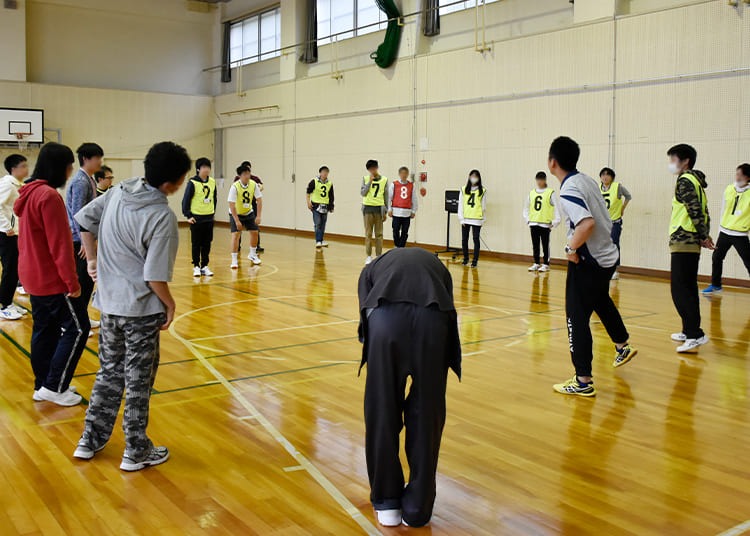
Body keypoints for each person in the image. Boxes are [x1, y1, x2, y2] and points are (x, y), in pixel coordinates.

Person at [72, 141, 191, 472]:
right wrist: (170, 305)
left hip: (109, 306)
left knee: (109, 372)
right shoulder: (162, 217)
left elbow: (83, 221)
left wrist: (92, 258)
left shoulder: (118, 190)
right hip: (140, 312)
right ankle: (136, 450)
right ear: (175, 182)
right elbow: (155, 277)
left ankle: (89, 440)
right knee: (138, 381)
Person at [357, 247, 461, 528]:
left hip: (385, 322)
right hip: (434, 322)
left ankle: (387, 503)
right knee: (427, 414)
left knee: (382, 410)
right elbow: (448, 305)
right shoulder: (438, 267)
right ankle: (417, 510)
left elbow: (366, 314)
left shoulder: (371, 269)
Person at [547, 136, 637, 397]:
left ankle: (583, 380)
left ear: (552, 162)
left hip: (589, 261)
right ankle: (622, 345)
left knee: (576, 317)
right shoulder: (586, 180)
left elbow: (586, 223)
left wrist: (570, 249)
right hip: (607, 257)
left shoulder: (568, 189)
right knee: (600, 300)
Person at [14, 142, 89, 406]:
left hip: (33, 275)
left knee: (44, 330)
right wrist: (72, 281)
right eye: (69, 166)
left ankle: (44, 384)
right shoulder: (48, 196)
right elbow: (60, 245)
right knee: (79, 328)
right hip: (51, 279)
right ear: (60, 167)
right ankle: (55, 386)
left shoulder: (29, 192)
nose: (70, 171)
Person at [667, 143, 714, 352]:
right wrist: (703, 235)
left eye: (673, 159)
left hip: (684, 239)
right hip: (690, 239)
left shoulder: (685, 181)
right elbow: (703, 210)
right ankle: (689, 330)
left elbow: (694, 210)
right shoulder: (695, 180)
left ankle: (695, 334)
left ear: (685, 161)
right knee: (688, 287)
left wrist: (703, 236)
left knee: (679, 289)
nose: (670, 164)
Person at [66, 142, 103, 331]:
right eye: (97, 158)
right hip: (78, 240)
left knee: (87, 282)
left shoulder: (88, 179)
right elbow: (77, 213)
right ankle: (74, 322)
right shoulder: (81, 181)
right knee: (82, 280)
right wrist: (83, 240)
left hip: (84, 238)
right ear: (85, 159)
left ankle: (82, 318)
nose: (100, 162)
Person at [703, 164, 750, 295]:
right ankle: (716, 285)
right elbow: (723, 210)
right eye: (737, 174)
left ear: (748, 177)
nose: (738, 177)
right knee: (717, 257)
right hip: (725, 231)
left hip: (740, 234)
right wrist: (719, 231)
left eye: (741, 175)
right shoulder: (729, 189)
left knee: (748, 261)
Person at [0, 154, 29, 320]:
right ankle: (4, 305)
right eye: (23, 166)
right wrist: (6, 227)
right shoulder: (6, 184)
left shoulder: (19, 184)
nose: (26, 169)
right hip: (6, 235)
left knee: (14, 270)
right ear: (13, 169)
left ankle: (9, 302)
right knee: (9, 269)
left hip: (16, 233)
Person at [181, 157, 217, 277]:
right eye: (204, 167)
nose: (206, 170)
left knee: (207, 243)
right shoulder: (192, 182)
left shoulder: (212, 182)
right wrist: (188, 215)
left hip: (209, 217)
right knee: (196, 243)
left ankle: (204, 265)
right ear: (198, 169)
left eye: (208, 167)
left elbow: (214, 198)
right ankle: (196, 266)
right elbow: (186, 200)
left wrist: (213, 212)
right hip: (196, 218)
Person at [599, 167, 633, 280]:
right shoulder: (598, 188)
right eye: (603, 175)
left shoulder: (617, 187)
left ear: (612, 177)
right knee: (602, 245)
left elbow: (628, 196)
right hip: (602, 222)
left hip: (615, 221)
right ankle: (604, 267)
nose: (605, 177)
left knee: (614, 244)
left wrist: (623, 208)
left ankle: (614, 269)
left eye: (607, 175)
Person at [523, 171, 560, 272]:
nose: (539, 181)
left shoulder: (550, 192)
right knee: (535, 244)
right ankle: (536, 262)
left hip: (545, 223)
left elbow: (556, 207)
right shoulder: (532, 193)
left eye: (541, 179)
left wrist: (556, 220)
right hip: (534, 223)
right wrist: (527, 219)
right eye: (538, 179)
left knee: (545, 244)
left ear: (545, 180)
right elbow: (525, 208)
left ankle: (546, 264)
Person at [229, 164, 263, 268]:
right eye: (244, 174)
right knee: (236, 235)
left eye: (248, 174)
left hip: (248, 212)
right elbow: (231, 204)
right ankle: (234, 259)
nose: (247, 176)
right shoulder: (235, 187)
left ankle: (252, 254)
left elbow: (259, 200)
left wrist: (258, 216)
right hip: (236, 213)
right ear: (240, 176)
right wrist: (237, 220)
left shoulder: (253, 184)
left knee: (254, 232)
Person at [361, 159, 388, 265]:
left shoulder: (384, 180)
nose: (372, 171)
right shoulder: (366, 178)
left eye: (374, 168)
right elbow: (362, 193)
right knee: (368, 234)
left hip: (379, 209)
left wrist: (386, 211)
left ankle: (378, 255)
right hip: (368, 209)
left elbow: (386, 196)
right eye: (370, 169)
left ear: (377, 167)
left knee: (379, 234)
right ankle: (368, 256)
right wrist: (369, 183)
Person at [235, 161, 265, 253]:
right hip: (240, 206)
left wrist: (257, 189)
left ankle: (257, 245)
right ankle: (237, 245)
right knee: (238, 227)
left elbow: (261, 186)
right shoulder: (237, 179)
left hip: (252, 205)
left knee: (255, 225)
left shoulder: (254, 179)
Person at [458, 170, 486, 268]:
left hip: (476, 219)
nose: (474, 178)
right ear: (469, 177)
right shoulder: (463, 189)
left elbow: (483, 206)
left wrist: (483, 219)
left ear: (479, 178)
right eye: (472, 176)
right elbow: (460, 204)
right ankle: (466, 258)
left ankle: (475, 260)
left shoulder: (482, 190)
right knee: (464, 240)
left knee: (475, 239)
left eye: (476, 176)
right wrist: (461, 219)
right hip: (466, 218)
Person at [387, 166, 418, 248]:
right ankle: (397, 245)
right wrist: (389, 209)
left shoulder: (411, 186)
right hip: (396, 212)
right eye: (402, 173)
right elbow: (388, 197)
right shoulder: (394, 184)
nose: (403, 175)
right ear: (399, 174)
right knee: (395, 230)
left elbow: (414, 199)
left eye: (405, 173)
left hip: (407, 213)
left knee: (405, 231)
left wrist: (414, 211)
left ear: (407, 174)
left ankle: (402, 246)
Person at [306, 166, 334, 248]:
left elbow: (331, 195)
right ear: (320, 173)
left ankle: (321, 240)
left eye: (326, 172)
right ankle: (318, 240)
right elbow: (308, 192)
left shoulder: (329, 183)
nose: (325, 173)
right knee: (317, 223)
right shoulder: (314, 181)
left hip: (325, 206)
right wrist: (308, 202)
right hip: (316, 206)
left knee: (323, 224)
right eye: (323, 172)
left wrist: (331, 206)